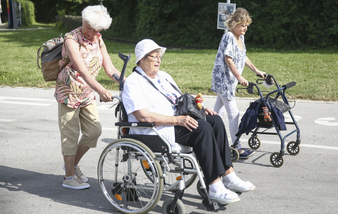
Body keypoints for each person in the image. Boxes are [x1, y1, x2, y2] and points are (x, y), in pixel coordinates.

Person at [122, 39, 255, 205]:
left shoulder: (164, 77)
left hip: (176, 122)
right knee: (203, 128)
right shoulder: (134, 82)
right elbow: (144, 116)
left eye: (160, 56)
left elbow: (180, 100)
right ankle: (214, 186)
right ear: (141, 59)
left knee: (215, 121)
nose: (158, 60)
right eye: (154, 56)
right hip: (156, 129)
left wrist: (200, 109)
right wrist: (177, 120)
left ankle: (229, 175)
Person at [55, 5, 122, 190]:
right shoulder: (71, 39)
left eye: (96, 29)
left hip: (86, 92)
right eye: (88, 26)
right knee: (70, 135)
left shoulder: (98, 39)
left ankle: (72, 166)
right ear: (82, 21)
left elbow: (110, 69)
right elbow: (83, 71)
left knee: (94, 131)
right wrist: (101, 91)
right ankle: (68, 177)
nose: (91, 32)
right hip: (68, 92)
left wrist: (127, 82)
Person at [211, 8, 266, 158]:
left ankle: (204, 136)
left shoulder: (240, 37)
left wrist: (256, 71)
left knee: (217, 112)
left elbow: (243, 56)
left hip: (230, 80)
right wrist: (240, 77)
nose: (245, 28)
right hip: (224, 79)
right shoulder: (229, 36)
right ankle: (237, 147)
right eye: (243, 25)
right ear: (234, 24)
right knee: (234, 114)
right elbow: (228, 59)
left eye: (247, 25)